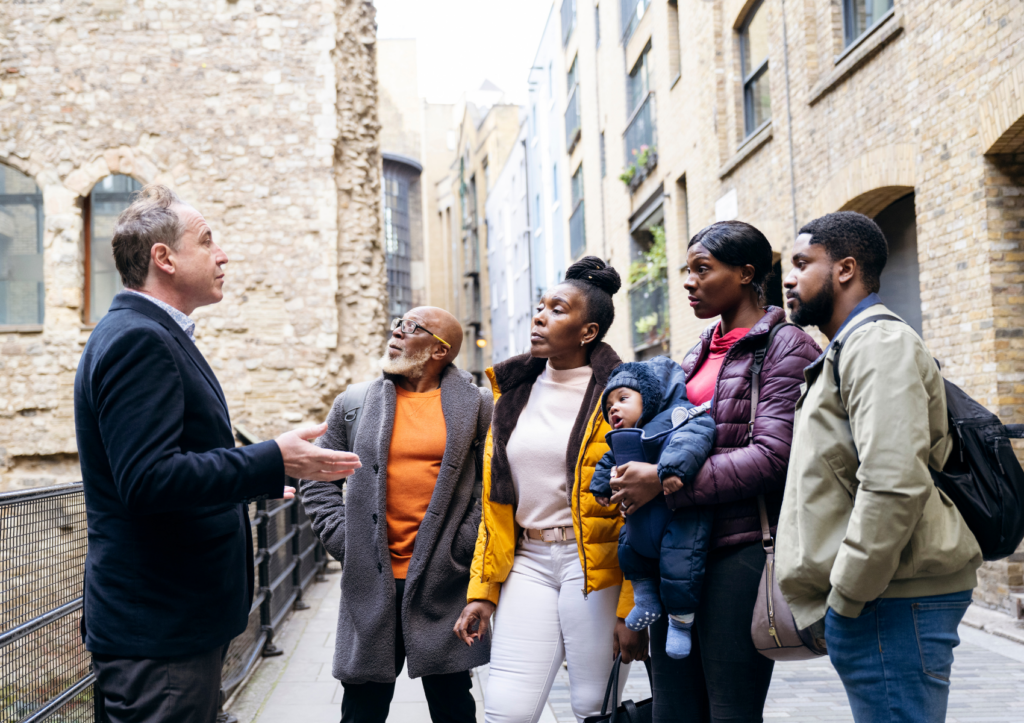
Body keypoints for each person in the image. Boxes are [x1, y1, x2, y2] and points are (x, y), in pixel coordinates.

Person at [74, 184, 360, 723]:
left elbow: (176, 460)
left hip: (175, 625)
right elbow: (148, 480)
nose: (222, 254)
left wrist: (255, 477)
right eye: (207, 241)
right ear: (164, 258)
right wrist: (272, 457)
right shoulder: (139, 340)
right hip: (158, 631)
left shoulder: (151, 333)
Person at [608, 221, 820, 723]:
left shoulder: (785, 347)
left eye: (702, 269)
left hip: (740, 548)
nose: (688, 281)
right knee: (674, 710)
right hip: (678, 550)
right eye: (687, 270)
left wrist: (662, 483)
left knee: (730, 710)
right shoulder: (698, 349)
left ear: (747, 273)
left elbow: (773, 456)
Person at [777, 211, 982, 722]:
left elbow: (893, 481)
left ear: (845, 269)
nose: (787, 277)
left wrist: (847, 596)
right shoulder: (850, 347)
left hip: (889, 600)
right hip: (882, 597)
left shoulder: (877, 344)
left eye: (802, 263)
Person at [453, 257, 648, 723]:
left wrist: (631, 610)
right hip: (529, 560)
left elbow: (638, 510)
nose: (540, 316)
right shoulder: (513, 392)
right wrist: (483, 590)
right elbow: (496, 503)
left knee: (590, 706)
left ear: (588, 331)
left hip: (597, 566)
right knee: (507, 709)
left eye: (557, 309)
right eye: (540, 306)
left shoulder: (624, 395)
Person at [300, 307, 492, 723]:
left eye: (411, 328)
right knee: (361, 711)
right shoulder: (354, 402)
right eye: (398, 324)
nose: (397, 332)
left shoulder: (477, 406)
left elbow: (493, 486)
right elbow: (317, 479)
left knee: (454, 707)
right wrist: (344, 541)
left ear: (439, 350)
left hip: (443, 580)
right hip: (371, 581)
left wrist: (462, 546)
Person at [589, 358, 715, 659]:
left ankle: (680, 623)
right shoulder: (624, 438)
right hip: (640, 521)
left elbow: (692, 439)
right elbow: (608, 461)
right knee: (629, 551)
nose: (614, 409)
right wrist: (600, 486)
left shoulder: (678, 419)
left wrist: (669, 471)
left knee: (680, 565)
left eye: (623, 399)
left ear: (651, 397)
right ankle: (645, 599)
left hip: (677, 517)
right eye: (609, 406)